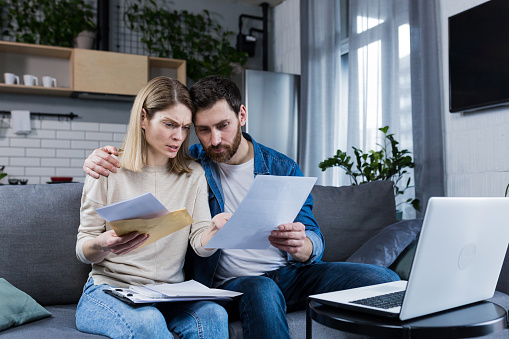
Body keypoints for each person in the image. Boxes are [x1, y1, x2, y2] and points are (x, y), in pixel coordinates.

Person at [83, 75, 400, 339]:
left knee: (382, 278)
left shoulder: (281, 166)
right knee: (261, 289)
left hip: (288, 274)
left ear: (242, 115)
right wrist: (99, 156)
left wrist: (302, 246)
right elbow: (153, 158)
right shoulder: (196, 163)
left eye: (223, 125)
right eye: (203, 130)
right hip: (235, 284)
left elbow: (312, 237)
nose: (215, 139)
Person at [76, 76, 229, 339]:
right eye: (169, 124)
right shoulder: (107, 168)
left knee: (215, 315)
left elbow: (199, 243)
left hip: (169, 294)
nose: (178, 136)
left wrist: (215, 232)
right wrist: (102, 244)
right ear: (144, 118)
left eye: (184, 127)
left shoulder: (193, 174)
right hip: (110, 290)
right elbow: (83, 249)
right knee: (148, 321)